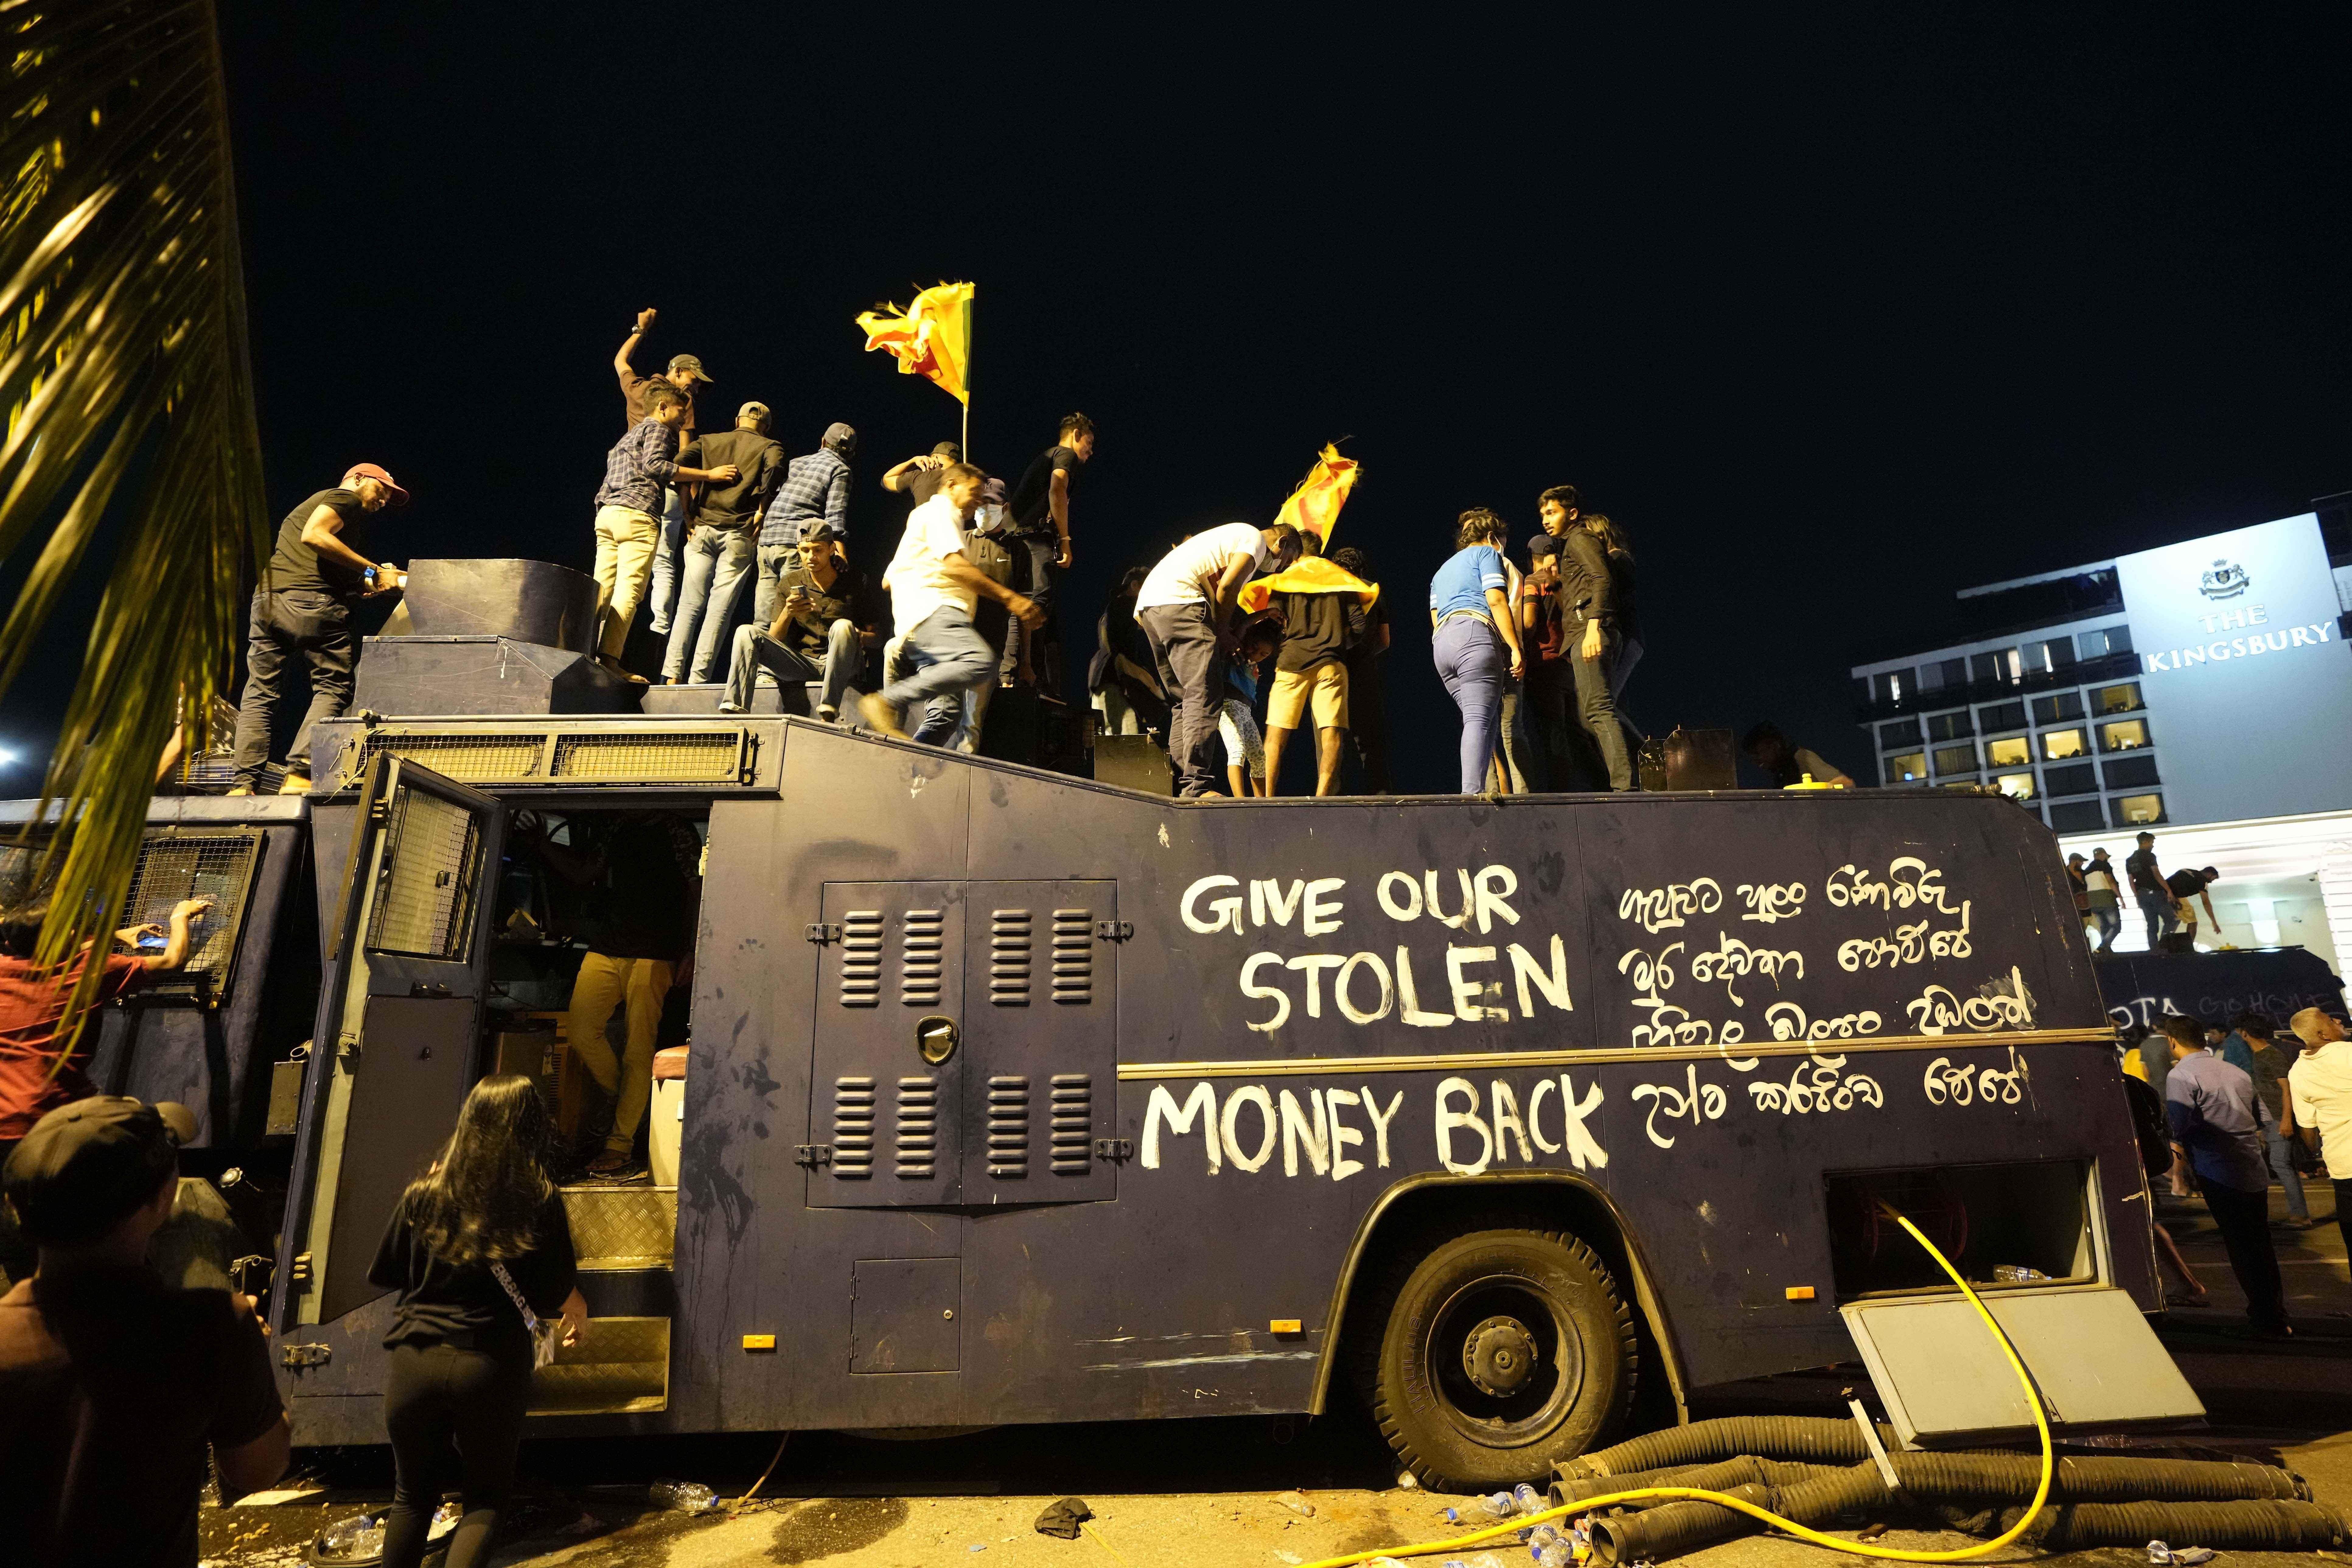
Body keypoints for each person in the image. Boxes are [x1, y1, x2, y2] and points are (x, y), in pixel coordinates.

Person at [1, 1096, 288, 1565]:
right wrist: (251, 1365)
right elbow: (259, 1468)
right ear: (162, 1197)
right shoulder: (211, 1327)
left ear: (15, 1208)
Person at [368, 1076, 585, 1568]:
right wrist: (576, 1306)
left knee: (412, 1498)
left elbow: (385, 1272)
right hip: (488, 1363)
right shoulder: (539, 1198)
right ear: (530, 1126)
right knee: (484, 1501)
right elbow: (553, 1290)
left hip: (414, 1362)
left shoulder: (425, 1191)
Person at [528, 812, 702, 1177]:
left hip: (656, 949)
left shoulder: (676, 828)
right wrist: (542, 846)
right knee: (581, 1031)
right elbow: (584, 873)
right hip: (608, 944)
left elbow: (697, 887)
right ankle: (623, 1098)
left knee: (640, 1047)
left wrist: (690, 948)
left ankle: (619, 1145)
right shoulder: (617, 826)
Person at [228, 465, 410, 795]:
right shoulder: (345, 498)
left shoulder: (317, 505)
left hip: (270, 602)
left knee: (259, 693)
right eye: (381, 489)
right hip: (312, 604)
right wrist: (370, 568)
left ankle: (243, 786)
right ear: (357, 479)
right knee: (334, 688)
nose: (385, 499)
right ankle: (299, 774)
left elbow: (321, 560)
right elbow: (314, 535)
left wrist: (366, 583)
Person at [1, 892, 215, 1152]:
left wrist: (115, 934)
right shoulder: (88, 970)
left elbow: (44, 952)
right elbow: (172, 959)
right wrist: (180, 916)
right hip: (50, 1119)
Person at [858, 465, 1044, 744]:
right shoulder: (943, 511)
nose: (978, 503)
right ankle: (887, 701)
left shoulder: (925, 518)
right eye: (974, 493)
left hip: (921, 625)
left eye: (983, 498)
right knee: (981, 661)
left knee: (947, 714)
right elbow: (955, 566)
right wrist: (1011, 598)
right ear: (952, 484)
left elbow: (889, 578)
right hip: (934, 614)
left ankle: (913, 772)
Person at [1133, 522, 1303, 798]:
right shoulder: (1255, 542)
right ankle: (1196, 788)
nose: (1282, 567)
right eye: (1288, 558)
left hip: (1153, 609)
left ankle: (1177, 785)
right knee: (1206, 694)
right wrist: (1222, 633)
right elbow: (1226, 590)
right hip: (1182, 601)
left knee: (1185, 700)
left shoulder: (1232, 539)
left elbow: (1221, 607)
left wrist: (1254, 618)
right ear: (1281, 543)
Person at [591, 384, 739, 683]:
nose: (683, 419)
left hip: (608, 514)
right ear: (662, 408)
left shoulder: (628, 435)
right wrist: (709, 475)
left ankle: (587, 653)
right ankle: (608, 660)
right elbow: (656, 466)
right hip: (637, 515)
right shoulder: (659, 430)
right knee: (629, 592)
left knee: (601, 590)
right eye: (680, 412)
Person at [2161, 1013, 2289, 1336]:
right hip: (2252, 1165)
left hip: (2216, 1167)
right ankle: (2274, 1311)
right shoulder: (2236, 1071)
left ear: (2172, 1041)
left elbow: (2178, 1125)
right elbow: (2261, 1117)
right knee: (2260, 1242)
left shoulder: (2181, 1075)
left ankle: (2263, 1317)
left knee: (2239, 1243)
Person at [661, 402, 785, 685]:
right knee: (720, 610)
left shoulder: (710, 441)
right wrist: (763, 508)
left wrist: (687, 510)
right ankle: (698, 681)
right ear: (765, 426)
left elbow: (677, 465)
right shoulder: (770, 446)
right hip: (740, 533)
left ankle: (671, 676)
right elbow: (776, 468)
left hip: (702, 528)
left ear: (737, 419)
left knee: (689, 605)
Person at [613, 309, 714, 637]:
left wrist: (639, 330)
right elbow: (688, 455)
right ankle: (659, 628)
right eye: (694, 379)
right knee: (664, 563)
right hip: (664, 487)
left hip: (627, 483)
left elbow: (620, 362)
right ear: (678, 372)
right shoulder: (679, 404)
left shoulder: (639, 388)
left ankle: (609, 622)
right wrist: (691, 511)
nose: (695, 388)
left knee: (619, 566)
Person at [721, 526, 883, 719]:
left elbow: (879, 638)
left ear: (832, 549)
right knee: (746, 632)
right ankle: (734, 709)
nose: (811, 557)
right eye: (805, 551)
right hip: (806, 664)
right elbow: (774, 640)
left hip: (845, 665)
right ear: (799, 550)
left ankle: (829, 709)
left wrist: (856, 636)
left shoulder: (856, 582)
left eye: (818, 550)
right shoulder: (791, 582)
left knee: (842, 627)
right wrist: (788, 614)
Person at [1542, 492, 1638, 792]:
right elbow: (1578, 594)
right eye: (1543, 514)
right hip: (1581, 631)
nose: (1546, 519)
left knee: (1597, 708)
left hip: (1590, 630)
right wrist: (1558, 584)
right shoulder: (1572, 545)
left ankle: (1624, 786)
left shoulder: (1580, 539)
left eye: (1552, 512)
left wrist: (1594, 627)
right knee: (1586, 717)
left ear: (1571, 514)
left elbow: (1602, 579)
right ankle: (1618, 776)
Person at [1429, 509, 1527, 796]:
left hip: (1443, 645)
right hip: (1474, 634)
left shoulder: (1441, 571)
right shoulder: (1488, 554)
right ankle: (1470, 797)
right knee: (1478, 720)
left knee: (1482, 720)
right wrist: (1514, 647)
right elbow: (1496, 600)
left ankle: (1482, 791)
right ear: (1492, 537)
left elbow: (1435, 617)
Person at [1004, 414, 1095, 687]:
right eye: (1089, 444)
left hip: (1018, 538)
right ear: (1076, 434)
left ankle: (1017, 670)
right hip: (1034, 537)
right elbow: (1058, 490)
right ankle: (1020, 671)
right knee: (1036, 601)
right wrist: (1065, 538)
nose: (1090, 452)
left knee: (1025, 601)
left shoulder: (1045, 457)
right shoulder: (1065, 455)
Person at [1263, 533, 1350, 797]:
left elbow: (1273, 620)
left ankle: (1265, 798)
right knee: (1331, 731)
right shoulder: (1339, 578)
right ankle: (1323, 798)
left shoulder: (1286, 579)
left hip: (1291, 661)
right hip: (1330, 664)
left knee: (1276, 735)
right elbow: (1358, 624)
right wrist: (1335, 641)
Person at [756, 423, 858, 629]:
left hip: (767, 541)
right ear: (851, 454)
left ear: (823, 442)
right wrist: (840, 551)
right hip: (797, 546)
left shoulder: (797, 462)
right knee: (796, 616)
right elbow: (835, 514)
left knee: (764, 620)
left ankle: (757, 660)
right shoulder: (841, 470)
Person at [2218, 1014, 2310, 1230]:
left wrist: (2286, 1120)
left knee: (2281, 1164)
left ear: (2245, 1033)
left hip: (2279, 1118)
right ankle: (2299, 1213)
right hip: (2272, 1120)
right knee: (2285, 1165)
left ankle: (2301, 1216)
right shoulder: (2259, 1055)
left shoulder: (2271, 1055)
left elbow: (2286, 1089)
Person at [2287, 1008, 2352, 1259]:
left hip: (2342, 1165)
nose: (2337, 1020)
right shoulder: (2349, 1053)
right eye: (2330, 1019)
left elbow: (2307, 1125)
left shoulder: (2298, 1072)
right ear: (2323, 1033)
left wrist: (2316, 1155)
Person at [1330, 546, 1392, 792]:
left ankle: (1329, 798)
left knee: (1331, 739)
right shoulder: (1372, 590)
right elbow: (1385, 640)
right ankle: (1382, 798)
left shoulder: (1328, 589)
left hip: (1331, 671)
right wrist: (1365, 653)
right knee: (1370, 742)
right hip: (1364, 673)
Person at [1088, 567, 1167, 739]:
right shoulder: (1125, 606)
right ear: (1135, 586)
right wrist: (1152, 685)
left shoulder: (1114, 610)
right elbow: (1120, 658)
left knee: (1111, 743)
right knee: (1126, 743)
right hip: (1112, 685)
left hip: (1103, 683)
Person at [1219, 619, 1280, 797]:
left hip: (1247, 711)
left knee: (1259, 758)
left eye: (1264, 654)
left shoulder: (1256, 666)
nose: (1256, 654)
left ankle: (1262, 802)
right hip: (1229, 707)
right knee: (1238, 750)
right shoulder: (1235, 652)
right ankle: (1240, 801)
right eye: (1254, 647)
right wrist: (1266, 614)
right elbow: (1242, 626)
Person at [1741, 722, 1855, 788]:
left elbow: (1847, 784)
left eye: (1759, 753)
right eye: (1753, 757)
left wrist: (1817, 793)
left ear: (1775, 746)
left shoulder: (1802, 757)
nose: (1757, 761)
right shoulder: (1781, 772)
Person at [2124, 832, 2175, 949]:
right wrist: (2168, 890)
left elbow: (2131, 880)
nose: (2153, 846)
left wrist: (2137, 896)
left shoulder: (2130, 860)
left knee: (2152, 925)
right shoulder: (2149, 856)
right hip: (2155, 893)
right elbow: (2156, 874)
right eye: (2152, 843)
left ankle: (2154, 950)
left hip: (2142, 894)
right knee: (2171, 920)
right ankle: (2164, 945)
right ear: (2145, 842)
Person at [882, 441, 962, 509]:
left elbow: (887, 479)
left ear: (935, 456)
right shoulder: (964, 479)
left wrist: (914, 461)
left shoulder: (919, 476)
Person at [2167, 864, 2223, 947]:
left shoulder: (2186, 870)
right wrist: (2214, 923)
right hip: (2174, 896)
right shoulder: (2202, 881)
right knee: (2193, 923)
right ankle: (2188, 947)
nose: (2210, 882)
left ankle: (2165, 943)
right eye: (2213, 879)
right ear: (2209, 875)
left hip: (2163, 892)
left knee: (2172, 921)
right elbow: (2206, 902)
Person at [2084, 849, 2123, 950]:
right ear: (2103, 855)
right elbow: (2111, 881)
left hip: (2093, 902)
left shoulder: (2087, 870)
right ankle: (2102, 947)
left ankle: (2107, 952)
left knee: (2104, 928)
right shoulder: (2105, 866)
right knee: (2116, 926)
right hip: (2106, 899)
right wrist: (2120, 897)